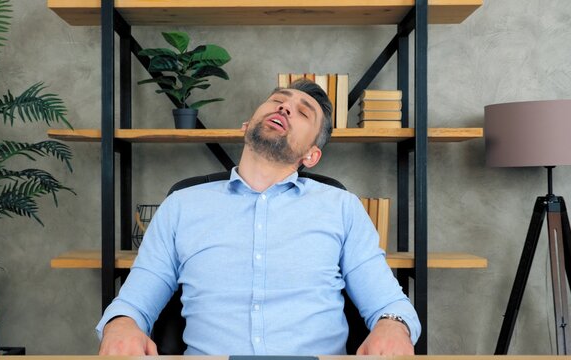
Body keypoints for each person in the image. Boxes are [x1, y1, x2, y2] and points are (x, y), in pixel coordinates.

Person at [96, 79, 421, 356]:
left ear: (311, 155)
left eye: (303, 111)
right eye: (278, 101)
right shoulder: (181, 206)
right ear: (246, 127)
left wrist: (392, 327)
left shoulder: (343, 208)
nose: (285, 108)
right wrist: (120, 324)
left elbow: (389, 303)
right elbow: (134, 301)